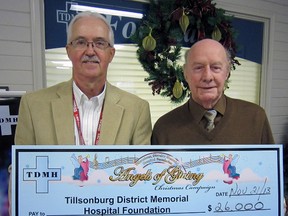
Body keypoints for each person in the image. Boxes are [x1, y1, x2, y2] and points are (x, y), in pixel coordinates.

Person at [15, 11, 152, 145]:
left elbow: (142, 166)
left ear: (111, 54)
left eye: (100, 43)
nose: (90, 51)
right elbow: (23, 165)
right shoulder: (33, 106)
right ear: (68, 51)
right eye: (81, 42)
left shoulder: (137, 110)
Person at [151, 38, 274, 145]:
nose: (207, 77)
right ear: (185, 73)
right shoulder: (164, 128)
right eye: (198, 68)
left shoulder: (256, 118)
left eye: (216, 67)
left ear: (227, 72)